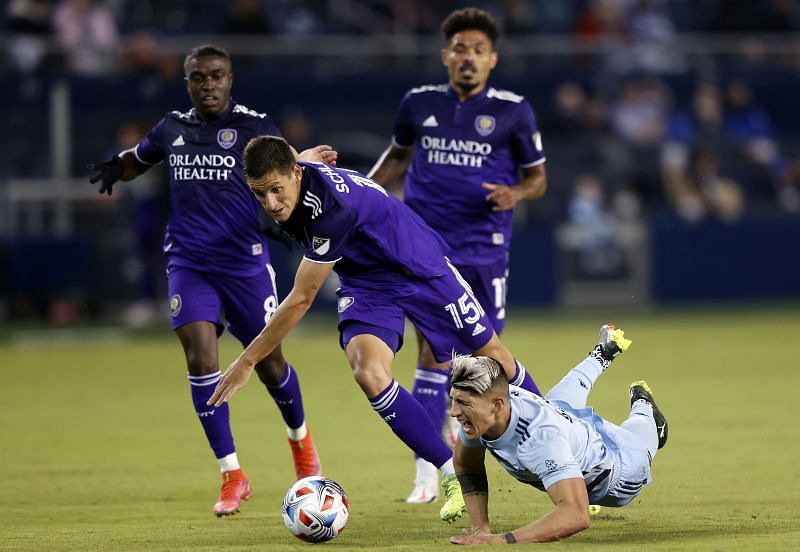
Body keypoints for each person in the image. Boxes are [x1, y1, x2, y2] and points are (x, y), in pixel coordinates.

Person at [207, 135, 542, 523]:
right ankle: (452, 474)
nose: (271, 204)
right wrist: (304, 158)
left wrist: (248, 360)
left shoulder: (332, 212)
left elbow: (300, 299)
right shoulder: (295, 171)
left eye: (276, 191)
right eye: (260, 194)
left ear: (296, 175)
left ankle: (569, 454)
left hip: (417, 266)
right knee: (369, 372)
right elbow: (289, 160)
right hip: (367, 282)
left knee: (493, 356)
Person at [87, 45, 337, 517]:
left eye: (216, 75)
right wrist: (117, 166)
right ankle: (232, 475)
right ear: (188, 83)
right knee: (201, 356)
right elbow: (141, 158)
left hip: (244, 264)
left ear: (230, 79)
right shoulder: (171, 129)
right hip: (188, 263)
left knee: (269, 365)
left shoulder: (254, 126)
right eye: (199, 77)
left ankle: (301, 444)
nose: (208, 84)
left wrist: (299, 188)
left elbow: (287, 170)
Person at [368, 6, 548, 503]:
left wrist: (517, 192)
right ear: (446, 56)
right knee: (431, 350)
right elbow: (397, 158)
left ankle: (545, 445)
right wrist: (359, 192)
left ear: (493, 59)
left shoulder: (514, 110)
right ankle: (431, 469)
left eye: (479, 51)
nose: (469, 58)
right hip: (425, 243)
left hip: (485, 247)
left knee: (487, 355)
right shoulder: (419, 103)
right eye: (461, 49)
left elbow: (538, 177)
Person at [448, 324, 669, 545]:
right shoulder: (484, 409)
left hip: (620, 472)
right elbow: (467, 465)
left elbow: (576, 515)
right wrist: (480, 529)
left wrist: (499, 540)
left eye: (463, 404)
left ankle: (644, 406)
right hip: (567, 420)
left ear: (497, 405)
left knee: (640, 437)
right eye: (454, 400)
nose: (454, 412)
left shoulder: (540, 438)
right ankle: (602, 353)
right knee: (554, 403)